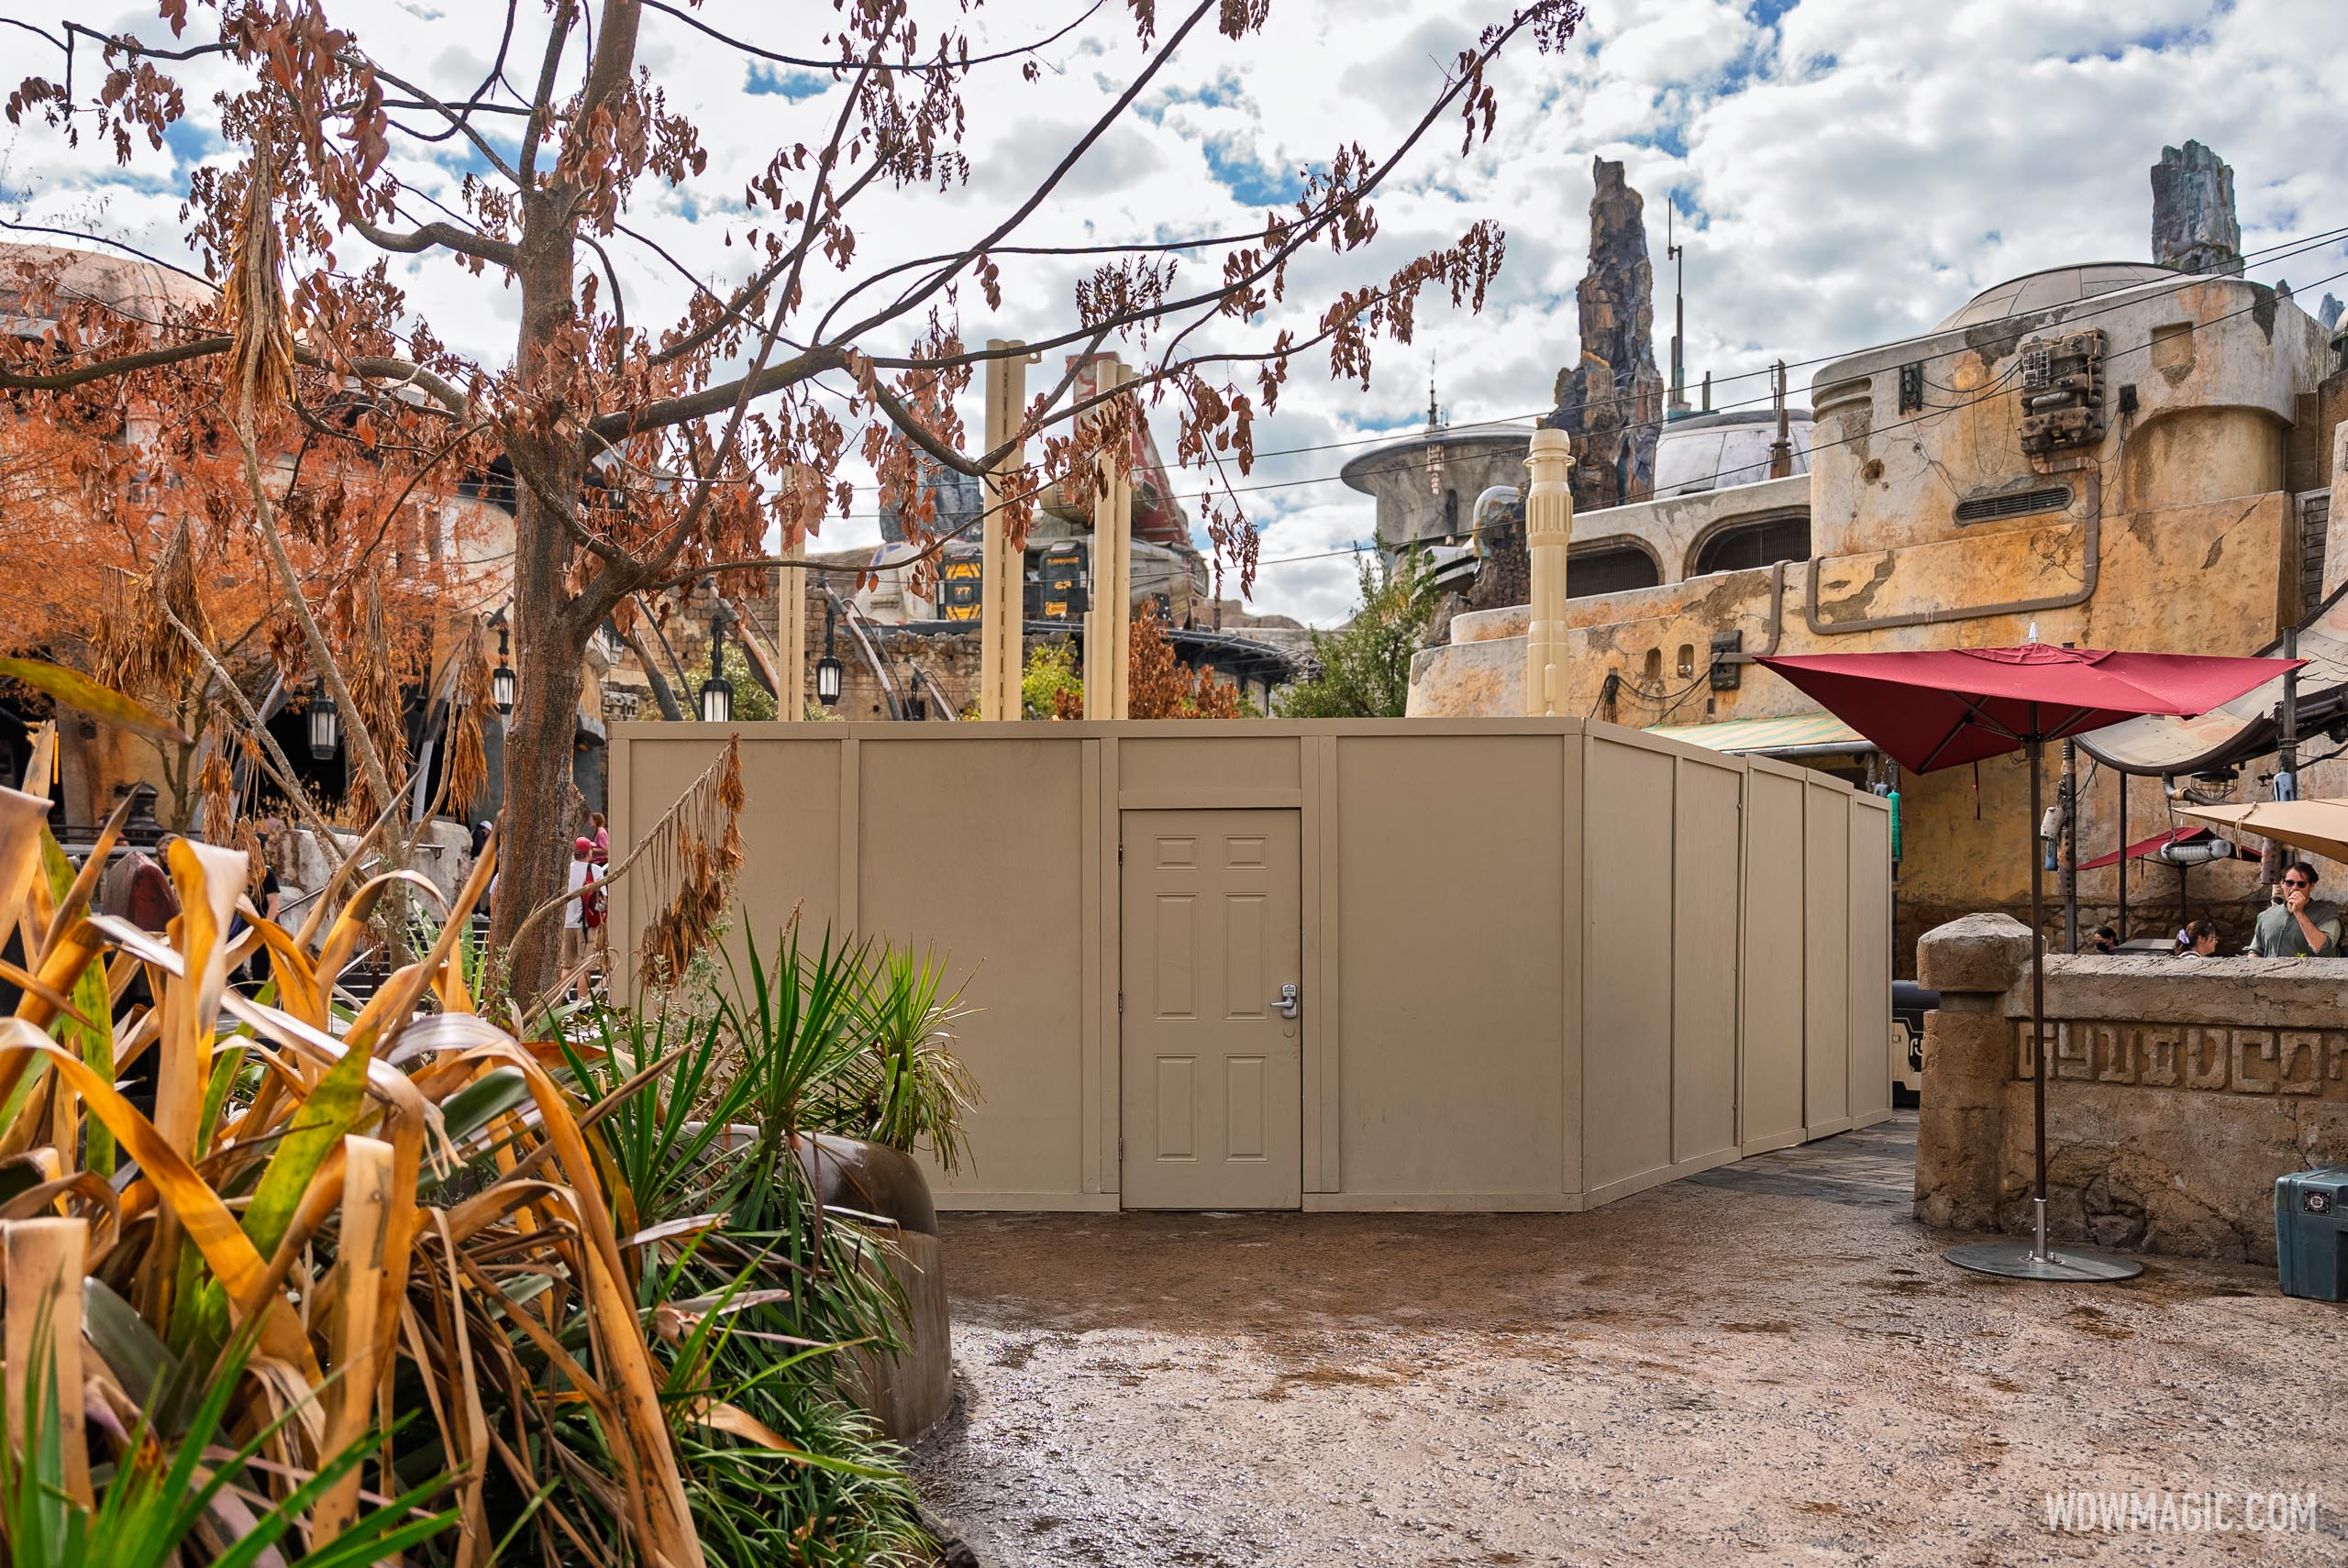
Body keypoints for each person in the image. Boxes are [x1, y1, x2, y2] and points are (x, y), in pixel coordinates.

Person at [2249, 861, 2339, 957]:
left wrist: (2299, 913)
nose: (2294, 888)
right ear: (2282, 883)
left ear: (2311, 886)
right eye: (2289, 883)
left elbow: (2324, 949)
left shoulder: (2328, 916)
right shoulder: (2266, 916)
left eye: (2301, 884)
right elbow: (2256, 951)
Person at [561, 836, 598, 992]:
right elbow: (602, 899)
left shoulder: (566, 870)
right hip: (587, 925)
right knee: (586, 967)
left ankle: (560, 1000)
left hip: (566, 923)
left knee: (567, 965)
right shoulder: (594, 870)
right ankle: (581, 1002)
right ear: (587, 852)